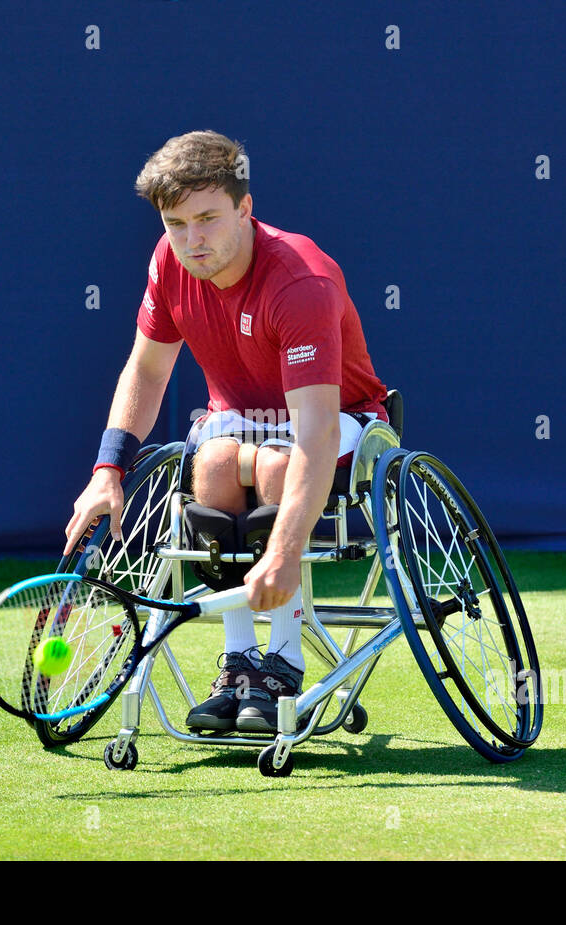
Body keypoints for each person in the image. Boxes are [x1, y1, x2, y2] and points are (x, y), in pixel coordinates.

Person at [63, 130, 388, 733]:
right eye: (175, 223)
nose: (193, 240)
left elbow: (314, 432)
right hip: (239, 420)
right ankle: (240, 666)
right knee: (210, 465)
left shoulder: (300, 281)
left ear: (245, 208)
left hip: (341, 420)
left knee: (273, 464)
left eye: (209, 218)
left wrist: (287, 552)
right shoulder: (170, 264)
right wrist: (107, 470)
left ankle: (284, 663)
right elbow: (147, 368)